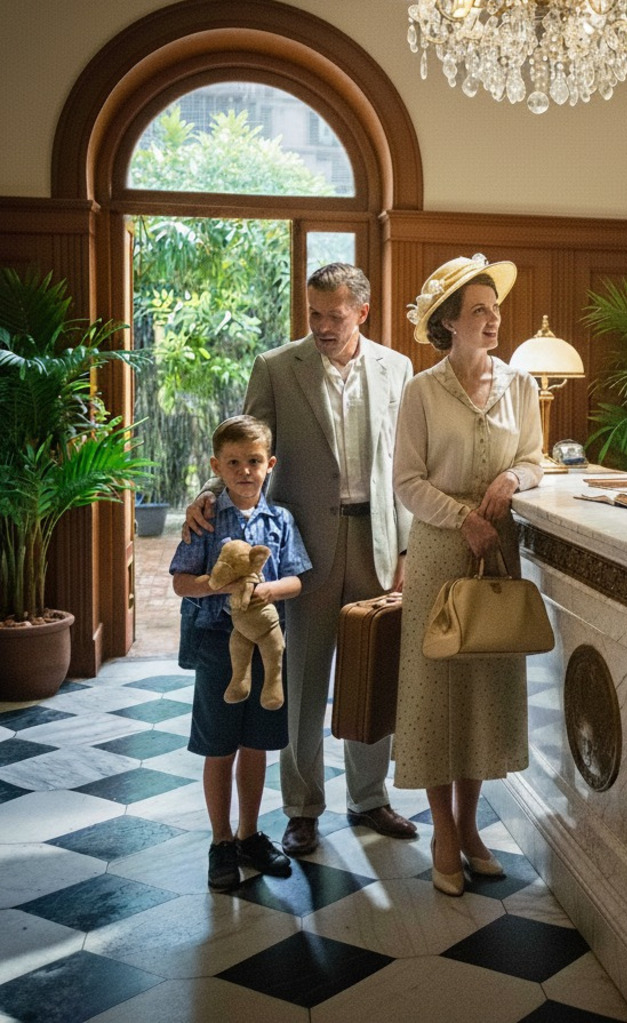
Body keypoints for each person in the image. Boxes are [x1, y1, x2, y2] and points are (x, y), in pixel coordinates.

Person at [184, 263, 417, 857]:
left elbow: (408, 465)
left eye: (334, 316)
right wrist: (205, 497)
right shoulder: (276, 367)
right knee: (299, 679)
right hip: (300, 551)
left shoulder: (398, 368)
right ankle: (302, 808)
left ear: (361, 312)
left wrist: (409, 546)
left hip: (378, 541)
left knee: (373, 671)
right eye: (313, 314)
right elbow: (244, 450)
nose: (321, 326)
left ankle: (369, 796)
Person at [392, 254, 544, 896]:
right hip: (439, 555)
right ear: (447, 323)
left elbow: (536, 458)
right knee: (437, 694)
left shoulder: (522, 385)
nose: (493, 319)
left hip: (497, 555)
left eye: (494, 308)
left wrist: (514, 478)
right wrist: (463, 519)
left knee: (484, 688)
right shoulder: (421, 392)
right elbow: (407, 482)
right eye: (477, 310)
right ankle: (444, 832)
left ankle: (472, 824)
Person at [171, 415, 312, 890]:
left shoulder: (281, 519)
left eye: (254, 461)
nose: (245, 470)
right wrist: (218, 584)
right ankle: (221, 840)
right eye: (233, 462)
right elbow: (180, 581)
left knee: (256, 746)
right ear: (217, 465)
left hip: (267, 648)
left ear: (269, 464)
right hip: (217, 646)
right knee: (220, 747)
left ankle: (251, 834)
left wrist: (268, 591)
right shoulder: (207, 518)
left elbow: (296, 578)